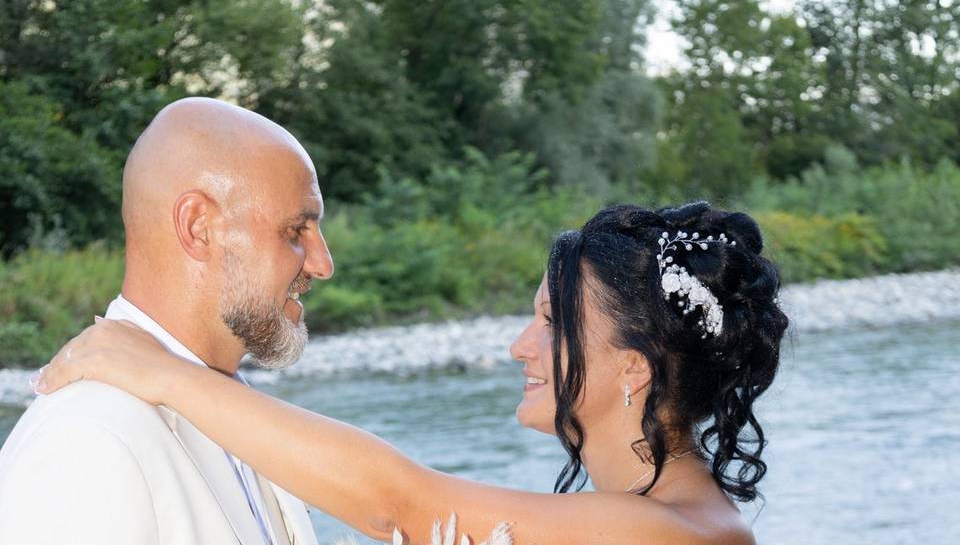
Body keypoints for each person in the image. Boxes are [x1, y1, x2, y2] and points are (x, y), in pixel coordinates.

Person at [35, 201, 788, 545]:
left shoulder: (681, 536)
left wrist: (168, 373)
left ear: (633, 367)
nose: (519, 347)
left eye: (553, 323)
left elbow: (402, 503)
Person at [0, 97, 335, 545]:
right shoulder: (88, 441)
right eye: (295, 231)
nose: (323, 264)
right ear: (198, 226)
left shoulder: (241, 421)